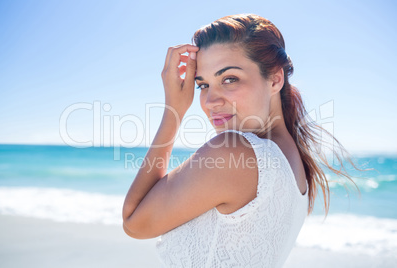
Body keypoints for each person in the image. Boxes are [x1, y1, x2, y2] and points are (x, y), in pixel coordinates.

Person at [122, 14, 355, 267]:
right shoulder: (293, 160)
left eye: (229, 79)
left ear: (275, 79)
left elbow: (134, 223)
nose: (211, 101)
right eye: (203, 85)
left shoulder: (233, 153)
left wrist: (173, 111)